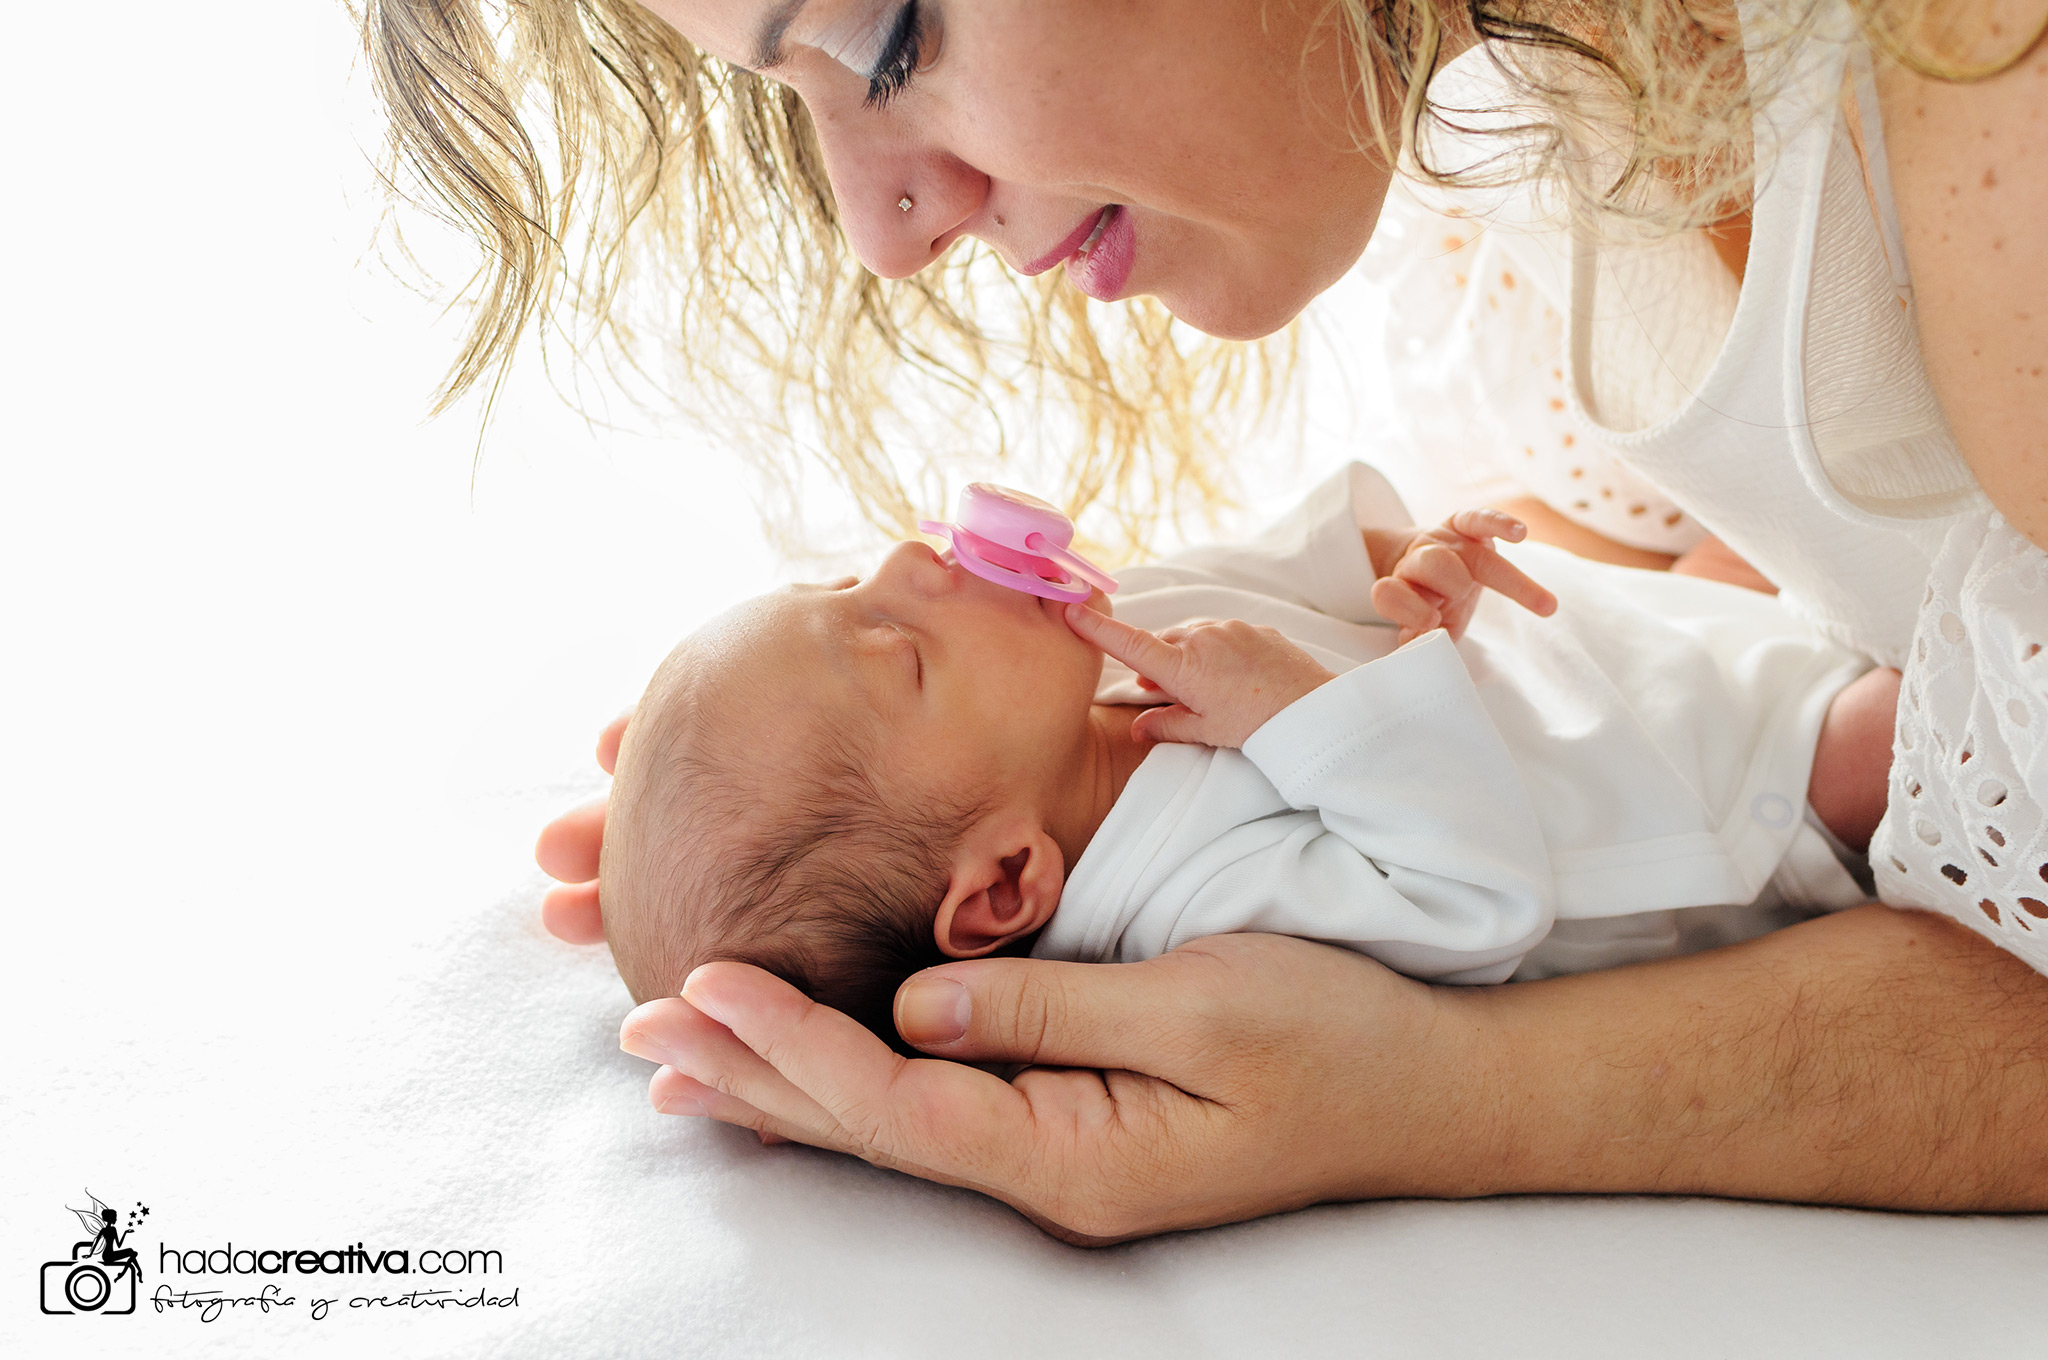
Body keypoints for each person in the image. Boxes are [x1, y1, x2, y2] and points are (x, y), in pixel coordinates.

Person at [363, 0, 2048, 1237]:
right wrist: (775, 791)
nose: (877, 234)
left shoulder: (1994, 117)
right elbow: (1652, 569)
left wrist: (1442, 1102)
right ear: (1000, 884)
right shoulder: (1484, 104)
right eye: (788, 88)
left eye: (886, 38)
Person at [599, 466, 1889, 1039]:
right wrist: (1295, 714)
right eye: (899, 648)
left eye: (843, 579)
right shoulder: (1195, 905)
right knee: (1896, 720)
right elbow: (1474, 900)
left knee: (1773, 519)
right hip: (1728, 798)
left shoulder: (1094, 652)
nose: (907, 557)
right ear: (1003, 884)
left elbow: (1305, 563)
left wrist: (1411, 569)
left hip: (1630, 653)